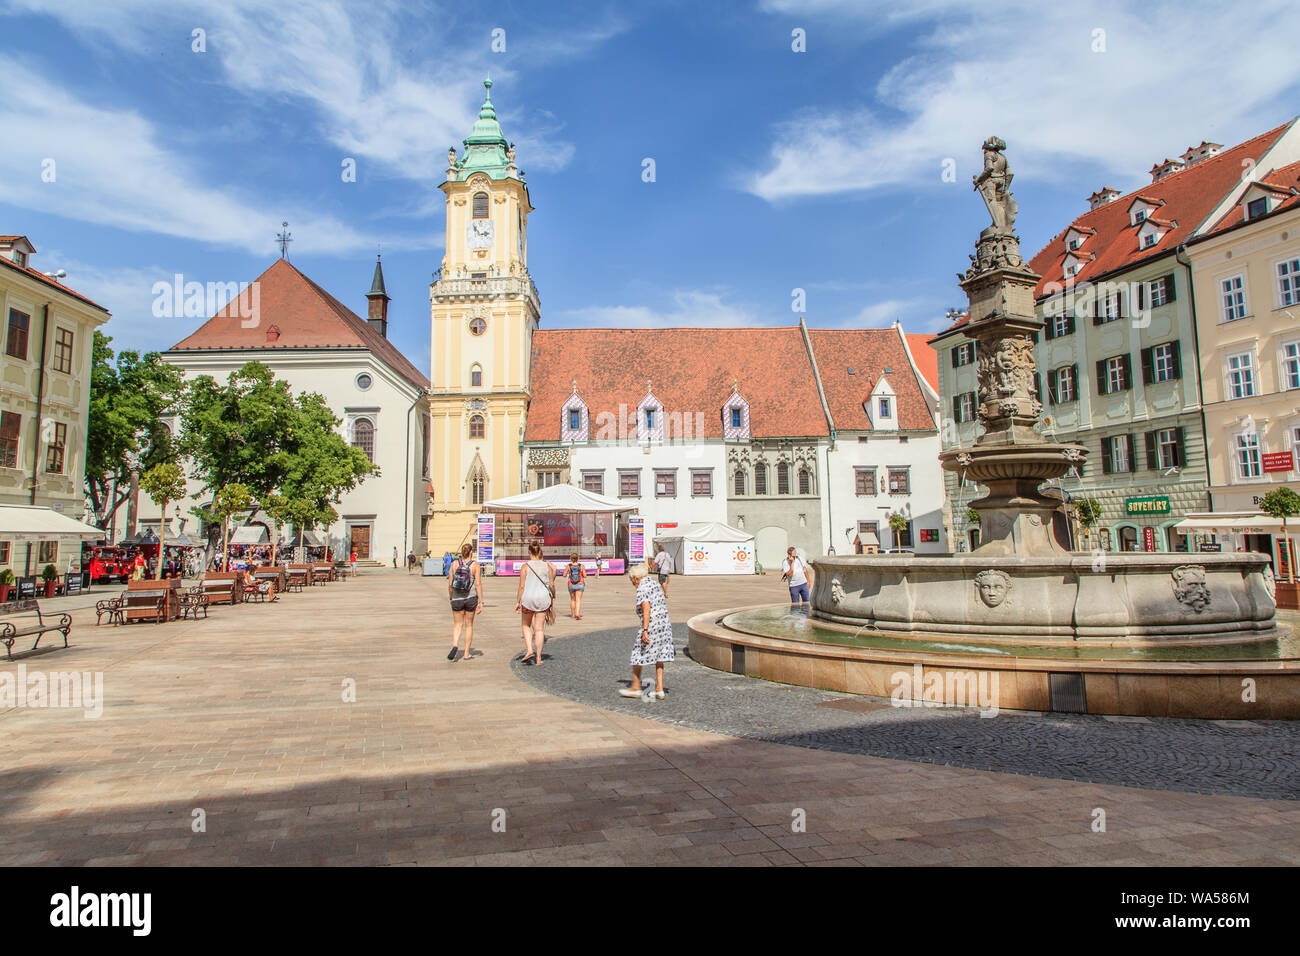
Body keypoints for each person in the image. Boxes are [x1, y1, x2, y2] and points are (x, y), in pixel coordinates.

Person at [619, 563, 674, 700]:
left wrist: (644, 630)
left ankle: (636, 687)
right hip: (664, 624)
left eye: (632, 580)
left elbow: (646, 608)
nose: (633, 584)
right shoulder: (655, 584)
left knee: (638, 653)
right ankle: (659, 689)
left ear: (636, 578)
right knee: (659, 655)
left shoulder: (642, 587)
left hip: (651, 624)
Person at [515, 541, 555, 665]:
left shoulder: (525, 566)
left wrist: (517, 601)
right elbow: (551, 584)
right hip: (543, 599)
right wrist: (553, 595)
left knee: (526, 625)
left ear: (529, 552)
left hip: (528, 599)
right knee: (539, 629)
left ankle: (529, 650)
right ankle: (538, 658)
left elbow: (522, 586)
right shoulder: (546, 566)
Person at [446, 543, 484, 661]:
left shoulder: (454, 564)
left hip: (457, 598)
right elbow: (478, 583)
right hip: (470, 598)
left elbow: (450, 584)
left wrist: (451, 597)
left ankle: (455, 645)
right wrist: (481, 601)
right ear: (471, 552)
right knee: (469, 625)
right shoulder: (475, 565)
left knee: (457, 624)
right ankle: (467, 653)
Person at [565, 553, 587, 619]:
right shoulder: (581, 566)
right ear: (578, 558)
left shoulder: (568, 566)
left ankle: (572, 615)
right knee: (578, 600)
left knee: (572, 600)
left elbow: (564, 575)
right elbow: (585, 576)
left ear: (571, 559)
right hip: (580, 584)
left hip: (571, 584)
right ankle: (577, 614)